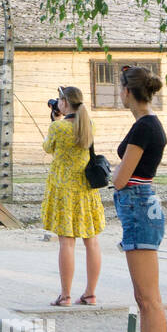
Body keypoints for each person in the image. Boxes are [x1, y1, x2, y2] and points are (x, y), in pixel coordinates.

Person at [107, 66, 167, 332]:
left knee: (150, 299)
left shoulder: (145, 127)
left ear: (127, 92)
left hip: (139, 207)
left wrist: (109, 170)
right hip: (138, 208)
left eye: (120, 89)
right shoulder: (145, 124)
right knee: (142, 298)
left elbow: (120, 179)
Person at [41, 86, 105, 306]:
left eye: (59, 100)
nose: (57, 102)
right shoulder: (90, 124)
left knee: (67, 243)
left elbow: (48, 148)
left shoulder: (59, 128)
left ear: (65, 103)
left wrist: (54, 120)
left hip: (64, 189)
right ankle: (90, 294)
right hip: (86, 189)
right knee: (92, 241)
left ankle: (65, 295)